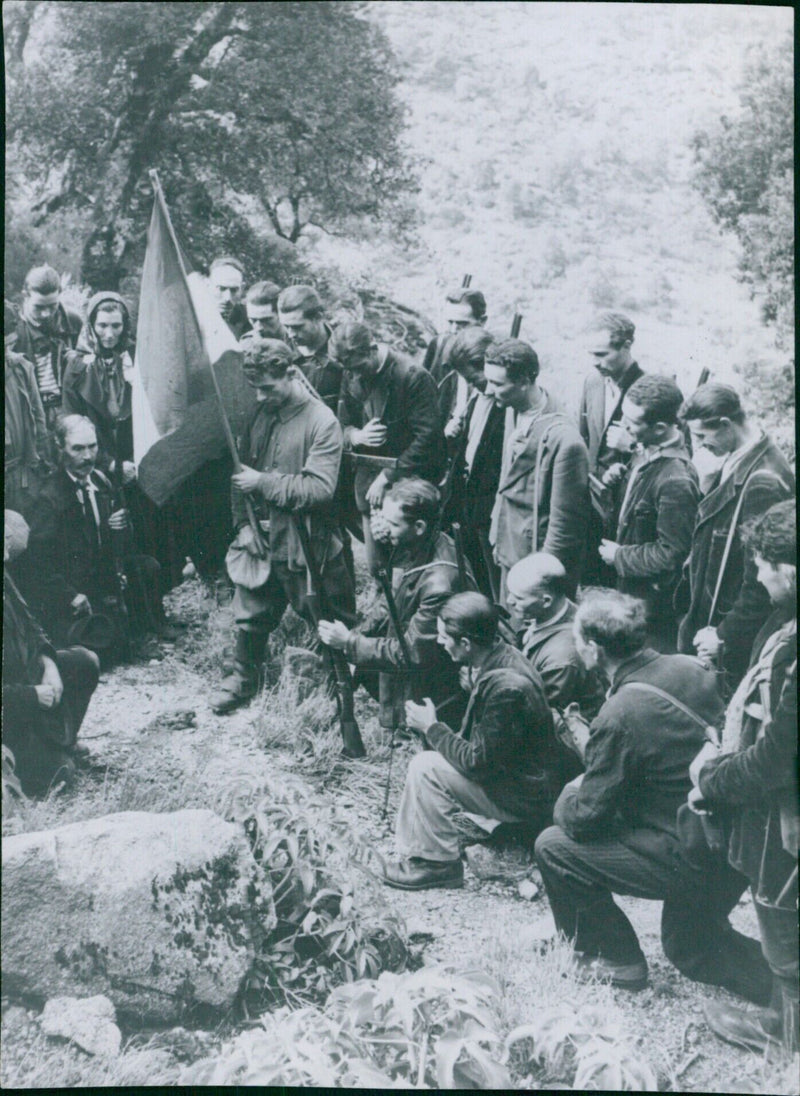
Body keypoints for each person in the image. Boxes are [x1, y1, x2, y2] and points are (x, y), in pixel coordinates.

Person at [534, 589, 772, 1002]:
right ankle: (783, 982)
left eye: (577, 640)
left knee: (553, 845)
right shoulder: (689, 667)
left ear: (593, 649)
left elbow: (584, 817)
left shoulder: (620, 712)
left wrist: (571, 790)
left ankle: (615, 959)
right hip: (731, 836)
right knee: (693, 945)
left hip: (692, 853)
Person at [691, 501, 797, 1056]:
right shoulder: (785, 621)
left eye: (763, 564)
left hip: (787, 818)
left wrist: (712, 780)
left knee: (785, 924)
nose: (757, 576)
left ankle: (788, 1042)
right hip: (772, 802)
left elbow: (779, 758)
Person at [210, 338, 355, 715]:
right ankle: (243, 674)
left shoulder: (323, 422)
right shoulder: (259, 414)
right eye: (254, 388)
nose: (259, 397)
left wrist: (264, 483)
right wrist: (243, 524)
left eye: (268, 388)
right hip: (261, 538)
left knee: (327, 617)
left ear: (291, 374)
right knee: (251, 610)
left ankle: (342, 683)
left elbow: (320, 489)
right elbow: (238, 473)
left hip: (308, 543)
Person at [379, 591, 559, 890]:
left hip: (525, 799)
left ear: (466, 643)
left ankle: (436, 864)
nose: (439, 642)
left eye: (443, 637)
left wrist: (432, 727)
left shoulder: (505, 688)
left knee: (425, 768)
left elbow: (478, 764)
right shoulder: (504, 656)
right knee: (434, 760)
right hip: (532, 784)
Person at [317, 478, 472, 741]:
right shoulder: (419, 544)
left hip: (436, 675)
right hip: (422, 656)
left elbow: (412, 653)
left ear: (419, 526)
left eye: (393, 524)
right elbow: (391, 600)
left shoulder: (439, 582)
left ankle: (412, 733)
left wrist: (350, 643)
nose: (383, 529)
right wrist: (356, 635)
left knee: (370, 660)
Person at [17, 414, 167, 663]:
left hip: (99, 576)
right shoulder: (48, 497)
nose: (87, 456)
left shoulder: (100, 481)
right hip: (72, 589)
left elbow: (111, 544)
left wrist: (118, 530)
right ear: (60, 448)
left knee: (148, 567)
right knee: (105, 643)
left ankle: (133, 629)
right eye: (77, 448)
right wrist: (69, 595)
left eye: (92, 446)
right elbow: (37, 563)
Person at [676, 384, 795, 688]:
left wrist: (723, 636)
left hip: (728, 635)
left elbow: (761, 582)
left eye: (702, 436)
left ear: (726, 425)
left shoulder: (763, 483)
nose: (699, 445)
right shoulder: (742, 455)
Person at [331, 321, 445, 575]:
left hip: (409, 485)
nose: (356, 375)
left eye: (359, 368)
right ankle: (382, 603)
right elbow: (342, 423)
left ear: (372, 349)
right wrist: (356, 436)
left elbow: (428, 437)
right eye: (350, 370)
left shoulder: (412, 376)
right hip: (368, 486)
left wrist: (389, 476)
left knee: (410, 567)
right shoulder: (351, 370)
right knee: (377, 567)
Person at [597, 375, 700, 651]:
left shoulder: (676, 480)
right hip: (630, 596)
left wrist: (620, 556)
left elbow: (672, 554)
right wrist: (616, 483)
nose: (624, 426)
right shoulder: (645, 448)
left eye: (632, 423)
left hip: (651, 613)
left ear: (660, 427)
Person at [3, 510, 100, 795]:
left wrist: (49, 664)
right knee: (61, 776)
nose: (8, 559)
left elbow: (30, 623)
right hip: (10, 709)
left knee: (84, 661)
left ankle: (62, 741)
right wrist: (31, 695)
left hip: (24, 682)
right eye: (8, 548)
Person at [486, 338, 589, 604]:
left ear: (524, 382)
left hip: (534, 562)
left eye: (497, 384)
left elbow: (564, 525)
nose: (488, 390)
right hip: (509, 544)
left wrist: (539, 579)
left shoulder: (565, 440)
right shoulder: (514, 408)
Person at [578, 312, 645, 586]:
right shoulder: (592, 382)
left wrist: (633, 447)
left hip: (627, 517)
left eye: (602, 354)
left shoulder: (648, 390)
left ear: (627, 346)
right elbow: (582, 440)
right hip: (590, 509)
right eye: (591, 354)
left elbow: (672, 450)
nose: (595, 362)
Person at [439, 327, 504, 599]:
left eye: (473, 377)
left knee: (493, 583)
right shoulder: (477, 400)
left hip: (489, 515)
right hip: (467, 510)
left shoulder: (506, 405)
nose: (472, 385)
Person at [505, 553, 604, 720]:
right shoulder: (554, 611)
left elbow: (535, 713)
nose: (509, 600)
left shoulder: (562, 658)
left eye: (518, 597)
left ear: (546, 601)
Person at [62, 291, 135, 478]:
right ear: (91, 325)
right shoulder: (77, 366)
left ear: (125, 325)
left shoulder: (136, 357)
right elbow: (72, 422)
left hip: (137, 458)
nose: (109, 334)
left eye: (116, 326)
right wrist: (109, 463)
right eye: (102, 325)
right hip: (96, 463)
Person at [11, 264, 82, 439]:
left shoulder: (72, 321)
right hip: (29, 411)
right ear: (25, 296)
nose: (46, 314)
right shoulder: (12, 328)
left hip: (67, 406)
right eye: (39, 307)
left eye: (53, 306)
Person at [5, 328, 50, 520]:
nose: (6, 352)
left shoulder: (21, 367)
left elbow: (39, 420)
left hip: (19, 476)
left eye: (10, 345)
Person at [277, 284, 343, 414]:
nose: (290, 334)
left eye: (297, 327)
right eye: (286, 326)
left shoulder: (344, 351)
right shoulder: (278, 349)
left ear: (318, 317)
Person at [422, 286, 488, 385]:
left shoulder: (490, 356)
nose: (453, 330)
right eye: (450, 322)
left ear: (482, 321)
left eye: (462, 324)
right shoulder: (438, 343)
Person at [209, 255, 249, 339]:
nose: (227, 298)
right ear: (208, 286)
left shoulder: (250, 319)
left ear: (242, 289)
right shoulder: (193, 315)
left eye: (234, 290)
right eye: (221, 289)